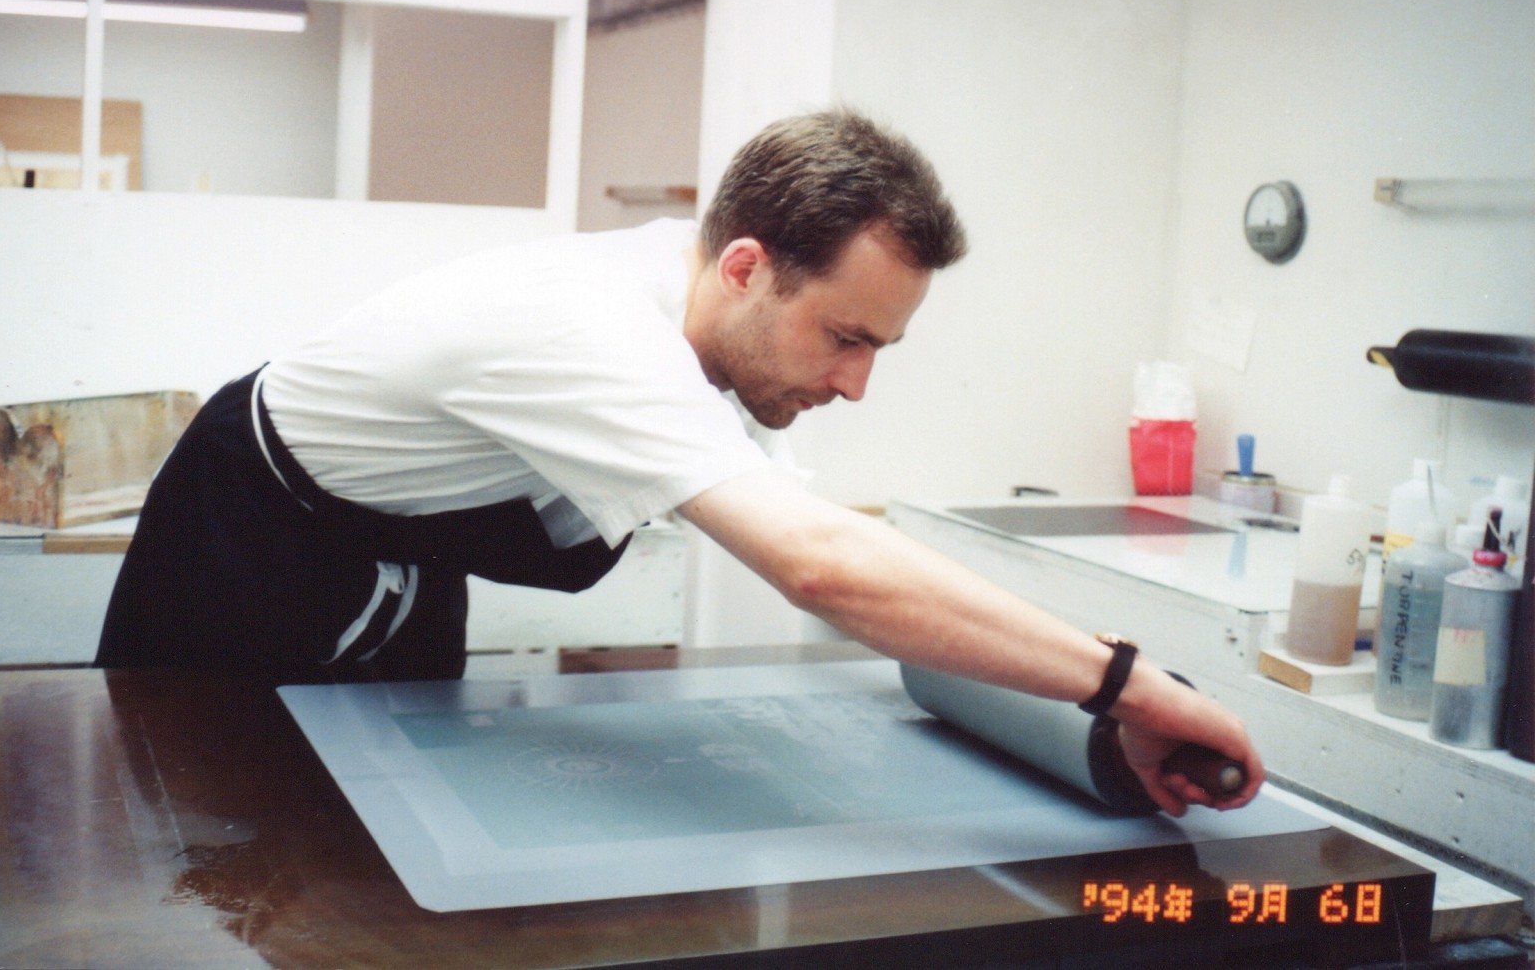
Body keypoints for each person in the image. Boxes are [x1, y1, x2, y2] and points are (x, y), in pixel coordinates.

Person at [97, 108, 1263, 816]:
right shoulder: (592, 331)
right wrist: (1125, 685)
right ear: (747, 265)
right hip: (245, 538)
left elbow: (835, 544)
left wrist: (1077, 696)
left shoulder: (715, 310)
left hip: (390, 546)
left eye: (880, 346)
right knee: (203, 836)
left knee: (384, 830)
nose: (856, 383)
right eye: (846, 338)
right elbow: (823, 571)